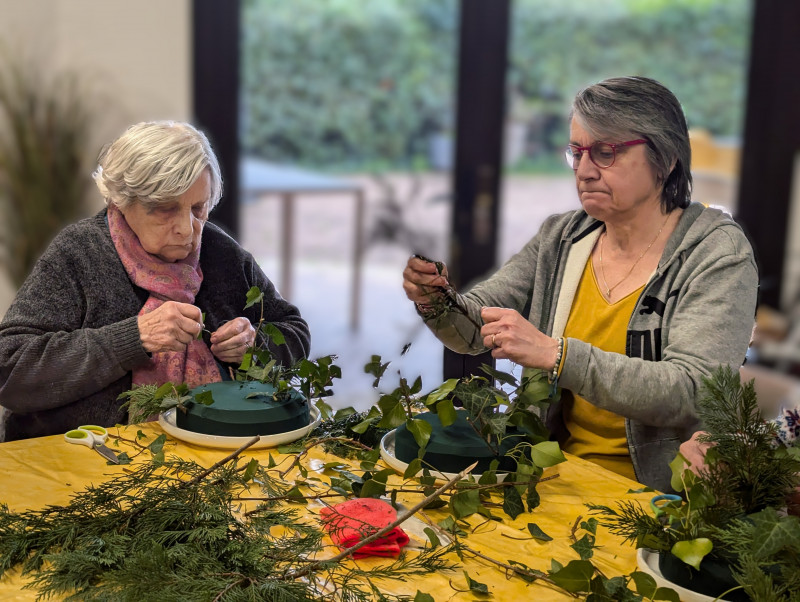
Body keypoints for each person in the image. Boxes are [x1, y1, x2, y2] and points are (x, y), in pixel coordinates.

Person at [402, 76, 758, 492]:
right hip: (552, 475)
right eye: (577, 153)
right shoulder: (562, 237)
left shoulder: (716, 253)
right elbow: (474, 330)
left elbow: (694, 391)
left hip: (660, 498)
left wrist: (557, 356)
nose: (585, 172)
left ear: (666, 157)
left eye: (606, 152)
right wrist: (438, 301)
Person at [0, 121, 310, 441]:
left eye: (198, 208)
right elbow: (9, 370)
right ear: (122, 200)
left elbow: (295, 332)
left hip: (209, 449)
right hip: (82, 458)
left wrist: (254, 344)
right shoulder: (78, 254)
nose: (187, 230)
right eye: (165, 210)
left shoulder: (222, 254)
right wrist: (134, 338)